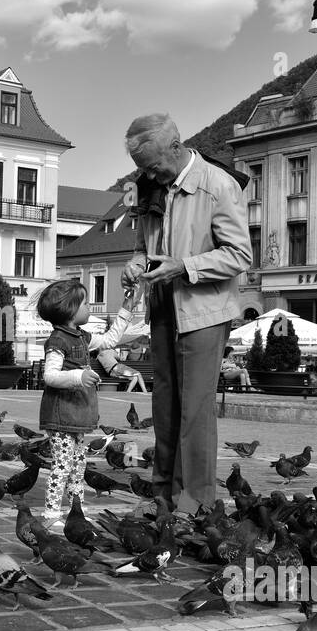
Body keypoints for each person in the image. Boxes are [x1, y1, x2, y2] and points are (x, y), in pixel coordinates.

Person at [121, 113, 253, 518]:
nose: (148, 174)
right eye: (141, 167)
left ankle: (195, 502)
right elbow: (146, 245)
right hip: (162, 305)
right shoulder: (152, 186)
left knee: (194, 410)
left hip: (203, 312)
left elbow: (240, 255)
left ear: (176, 148)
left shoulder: (217, 185)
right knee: (164, 407)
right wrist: (137, 261)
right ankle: (163, 496)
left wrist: (183, 266)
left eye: (153, 164)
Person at [37, 279, 137, 527]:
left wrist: (126, 308)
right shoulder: (58, 340)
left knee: (78, 465)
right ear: (69, 309)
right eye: (84, 302)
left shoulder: (81, 336)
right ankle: (51, 515)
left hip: (78, 414)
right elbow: (49, 376)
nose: (89, 305)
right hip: (61, 415)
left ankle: (76, 512)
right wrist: (78, 376)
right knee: (62, 465)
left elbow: (109, 341)